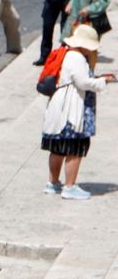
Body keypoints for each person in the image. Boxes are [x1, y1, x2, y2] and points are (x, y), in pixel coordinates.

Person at [41, 24, 112, 201]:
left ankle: (53, 182)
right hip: (71, 107)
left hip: (60, 104)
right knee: (75, 147)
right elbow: (82, 83)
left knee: (58, 146)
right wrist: (104, 80)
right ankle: (70, 186)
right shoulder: (77, 57)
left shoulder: (65, 53)